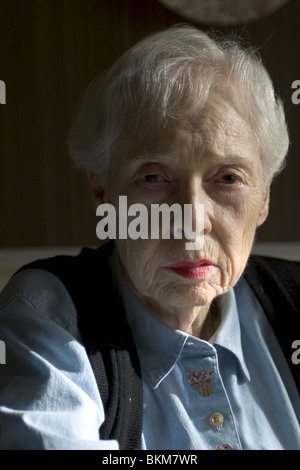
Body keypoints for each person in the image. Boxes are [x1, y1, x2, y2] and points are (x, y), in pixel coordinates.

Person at [0, 24, 299, 450]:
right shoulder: (49, 320)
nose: (191, 221)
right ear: (102, 191)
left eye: (228, 178)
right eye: (154, 177)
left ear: (264, 196)